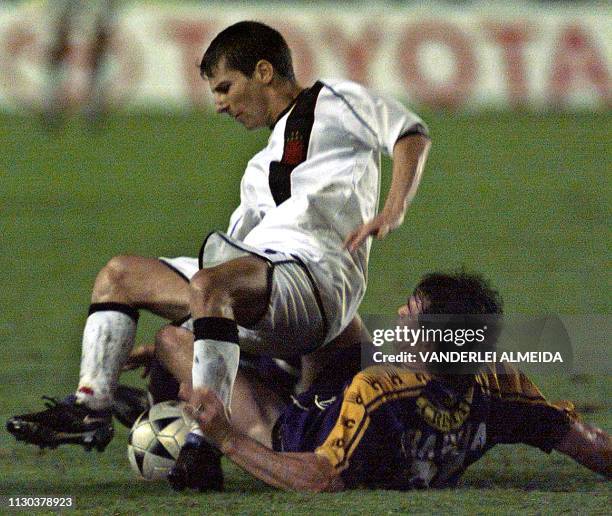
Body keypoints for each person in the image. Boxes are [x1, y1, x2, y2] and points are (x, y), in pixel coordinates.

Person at [7, 21, 430, 491]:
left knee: (212, 284)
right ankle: (92, 407)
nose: (219, 104)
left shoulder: (332, 102)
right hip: (263, 287)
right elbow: (224, 281)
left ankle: (204, 444)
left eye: (226, 87)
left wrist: (392, 210)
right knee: (120, 275)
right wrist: (186, 330)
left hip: (315, 282)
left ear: (264, 72)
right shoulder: (258, 169)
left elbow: (409, 132)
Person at [151, 272, 612, 491]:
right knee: (332, 314)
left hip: (294, 432)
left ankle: (164, 380)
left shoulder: (378, 391)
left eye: (408, 315)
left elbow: (319, 477)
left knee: (172, 341)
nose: (397, 317)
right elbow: (588, 442)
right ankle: (274, 362)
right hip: (344, 398)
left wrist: (228, 440)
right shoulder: (496, 383)